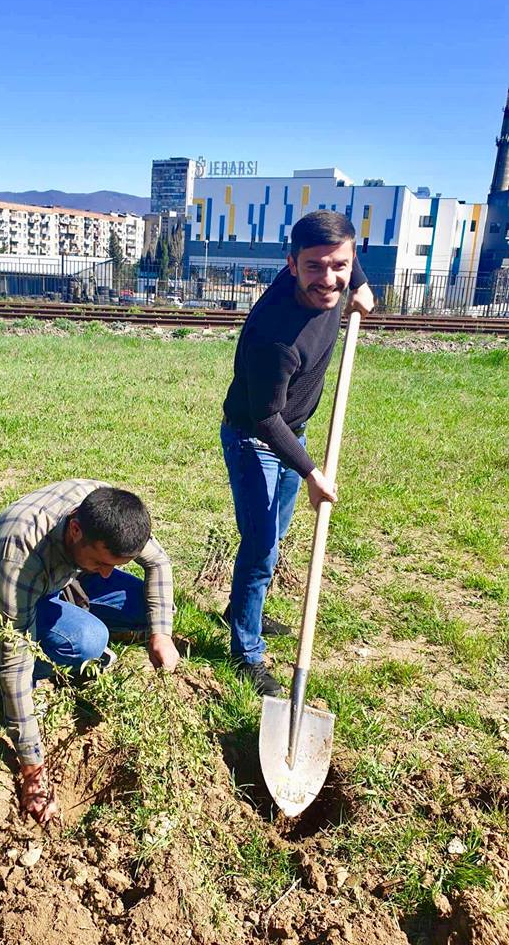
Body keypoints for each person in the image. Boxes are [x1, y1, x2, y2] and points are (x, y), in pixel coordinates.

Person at [220, 210, 374, 695]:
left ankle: (239, 610)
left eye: (340, 266)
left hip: (296, 430)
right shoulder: (276, 335)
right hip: (256, 439)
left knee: (273, 536)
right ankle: (245, 651)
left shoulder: (339, 275)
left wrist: (363, 286)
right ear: (292, 265)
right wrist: (311, 472)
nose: (329, 280)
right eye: (314, 267)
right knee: (262, 545)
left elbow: (349, 262)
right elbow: (265, 418)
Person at [0, 479, 179, 823]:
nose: (110, 573)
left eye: (117, 564)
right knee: (89, 640)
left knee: (154, 608)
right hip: (18, 597)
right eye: (103, 562)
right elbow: (15, 661)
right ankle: (55, 646)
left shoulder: (109, 512)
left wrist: (161, 634)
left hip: (69, 574)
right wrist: (33, 773)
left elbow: (160, 564)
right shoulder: (23, 553)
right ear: (75, 529)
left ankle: (76, 602)